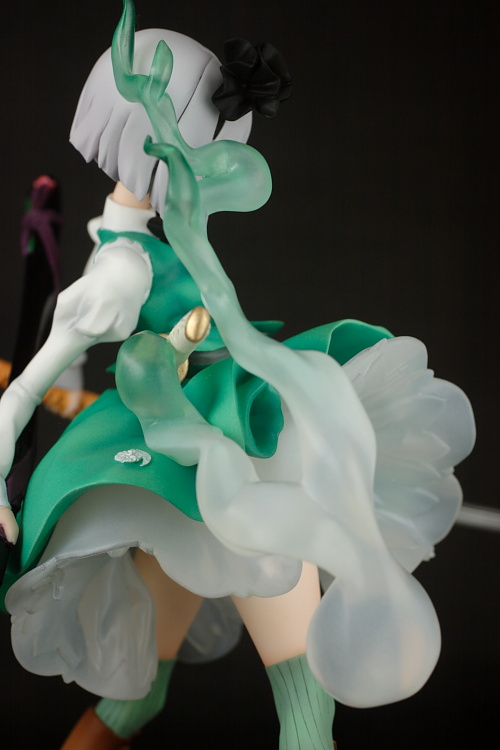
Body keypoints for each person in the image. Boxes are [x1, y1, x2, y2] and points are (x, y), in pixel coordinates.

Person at [0, 2, 475, 748]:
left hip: (180, 467)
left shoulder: (134, 249)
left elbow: (55, 372)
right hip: (216, 456)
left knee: (140, 703)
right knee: (305, 704)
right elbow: (29, 385)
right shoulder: (125, 266)